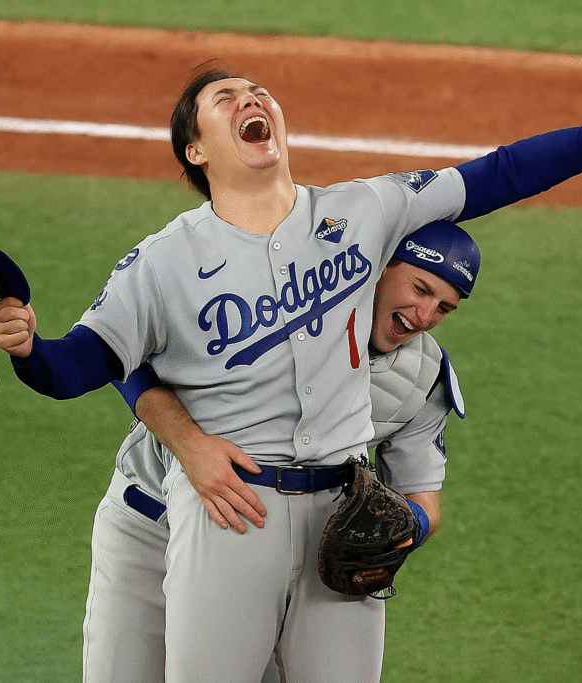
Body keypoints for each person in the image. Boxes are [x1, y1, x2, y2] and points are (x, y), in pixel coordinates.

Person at [0, 65, 582, 682]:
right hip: (229, 509)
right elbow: (81, 363)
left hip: (339, 510)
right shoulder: (162, 262)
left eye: (258, 91)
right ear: (196, 149)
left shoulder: (365, 212)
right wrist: (29, 349)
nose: (249, 98)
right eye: (224, 97)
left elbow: (500, 172)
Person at [82, 220, 477, 683]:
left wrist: (403, 529)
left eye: (444, 308)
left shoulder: (422, 376)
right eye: (420, 288)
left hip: (259, 542)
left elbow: (423, 498)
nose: (426, 314)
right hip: (149, 527)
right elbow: (118, 350)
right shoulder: (273, 304)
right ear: (379, 265)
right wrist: (191, 445)